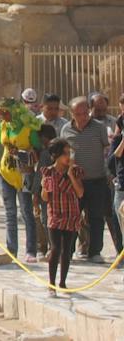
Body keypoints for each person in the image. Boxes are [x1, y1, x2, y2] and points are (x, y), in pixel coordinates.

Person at [63, 96, 120, 261]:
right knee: (73, 217)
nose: (83, 117)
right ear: (72, 114)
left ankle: (95, 251)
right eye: (78, 114)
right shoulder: (66, 130)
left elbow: (107, 150)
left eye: (85, 113)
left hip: (97, 179)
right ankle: (69, 250)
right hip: (74, 181)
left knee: (96, 216)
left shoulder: (99, 128)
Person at [0, 96, 42, 262]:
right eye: (1, 114)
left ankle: (31, 251)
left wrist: (21, 153)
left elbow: (37, 149)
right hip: (6, 173)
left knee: (27, 212)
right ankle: (11, 249)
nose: (3, 117)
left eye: (5, 113)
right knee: (10, 213)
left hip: (24, 174)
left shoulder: (29, 128)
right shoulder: (3, 126)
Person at [43, 138, 85, 290]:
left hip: (71, 216)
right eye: (65, 153)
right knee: (55, 248)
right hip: (55, 215)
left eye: (69, 153)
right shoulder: (48, 172)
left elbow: (80, 193)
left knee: (67, 250)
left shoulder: (76, 170)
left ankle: (63, 282)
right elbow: (45, 197)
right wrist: (43, 187)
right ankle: (52, 282)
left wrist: (71, 175)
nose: (68, 156)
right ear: (56, 155)